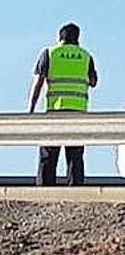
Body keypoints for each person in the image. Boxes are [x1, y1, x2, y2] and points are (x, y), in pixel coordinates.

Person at [29, 23, 97, 186]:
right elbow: (93, 81)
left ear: (60, 37)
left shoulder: (50, 53)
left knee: (49, 153)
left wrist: (30, 110)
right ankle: (76, 191)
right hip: (78, 111)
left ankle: (45, 190)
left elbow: (37, 83)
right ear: (77, 39)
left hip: (55, 110)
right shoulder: (86, 56)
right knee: (75, 155)